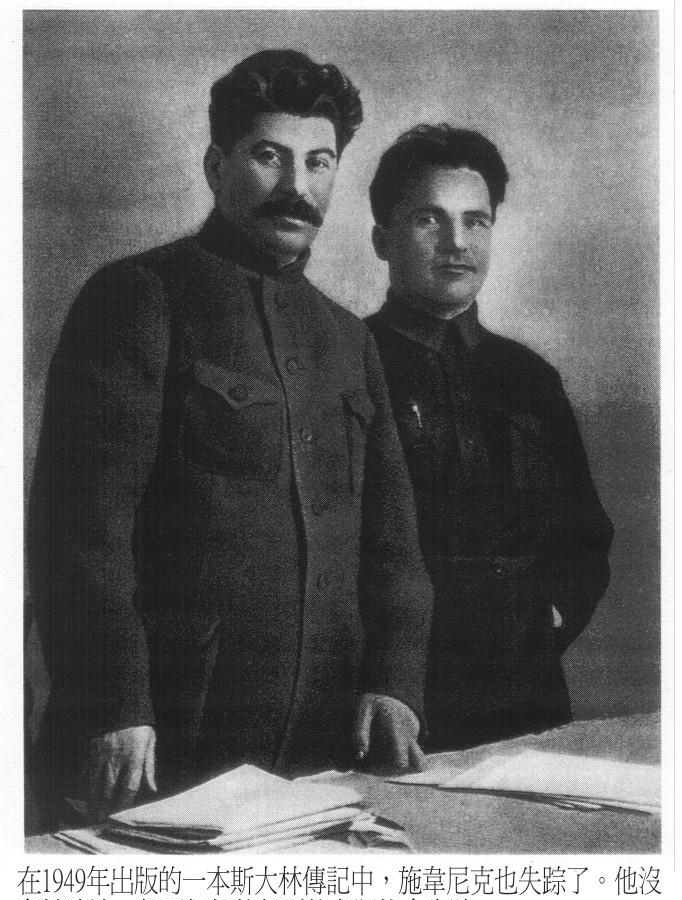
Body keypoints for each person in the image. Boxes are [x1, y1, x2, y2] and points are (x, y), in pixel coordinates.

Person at [29, 50, 432, 827]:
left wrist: (395, 681)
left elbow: (394, 544)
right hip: (159, 741)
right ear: (217, 166)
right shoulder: (138, 297)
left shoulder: (349, 339)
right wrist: (115, 701)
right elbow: (81, 529)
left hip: (322, 746)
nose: (297, 185)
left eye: (319, 161)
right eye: (269, 156)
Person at [366, 124, 613, 751]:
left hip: (525, 685)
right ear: (382, 239)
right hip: (391, 695)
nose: (457, 243)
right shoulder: (346, 361)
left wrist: (551, 613)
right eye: (429, 219)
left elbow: (584, 534)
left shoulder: (529, 376)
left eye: (476, 221)